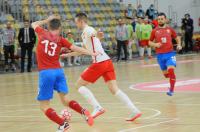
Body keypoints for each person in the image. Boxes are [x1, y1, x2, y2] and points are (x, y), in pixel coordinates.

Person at [62, 13, 142, 122]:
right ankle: (134, 110)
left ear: (81, 21)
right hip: (107, 61)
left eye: (76, 22)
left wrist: (98, 35)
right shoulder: (83, 34)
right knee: (114, 89)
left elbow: (95, 33)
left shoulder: (88, 30)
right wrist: (67, 55)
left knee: (79, 85)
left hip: (99, 62)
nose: (76, 25)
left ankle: (97, 107)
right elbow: (83, 51)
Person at [31, 15, 98, 132]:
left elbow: (33, 24)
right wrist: (91, 53)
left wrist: (47, 19)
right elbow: (75, 48)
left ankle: (63, 124)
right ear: (60, 28)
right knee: (65, 100)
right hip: (58, 72)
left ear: (48, 26)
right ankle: (83, 111)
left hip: (46, 73)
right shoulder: (61, 40)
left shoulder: (41, 32)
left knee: (44, 106)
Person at [149, 12, 182, 96]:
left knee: (171, 70)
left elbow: (177, 37)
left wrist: (179, 44)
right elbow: (149, 42)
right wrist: (155, 44)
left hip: (170, 54)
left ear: (165, 19)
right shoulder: (154, 31)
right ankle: (171, 81)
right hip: (160, 56)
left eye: (161, 19)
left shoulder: (170, 29)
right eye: (158, 19)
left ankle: (171, 90)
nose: (160, 20)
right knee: (166, 75)